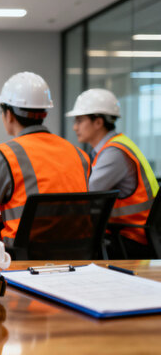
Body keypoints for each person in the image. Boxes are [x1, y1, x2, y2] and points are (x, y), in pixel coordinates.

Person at [0, 72, 90, 246]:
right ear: (43, 114)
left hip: (25, 262)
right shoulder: (79, 154)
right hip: (79, 258)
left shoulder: (6, 154)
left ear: (9, 114)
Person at [67, 88, 159, 258]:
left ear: (98, 122)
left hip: (131, 240)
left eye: (79, 120)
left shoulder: (114, 153)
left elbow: (86, 195)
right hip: (130, 235)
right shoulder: (113, 147)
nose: (75, 127)